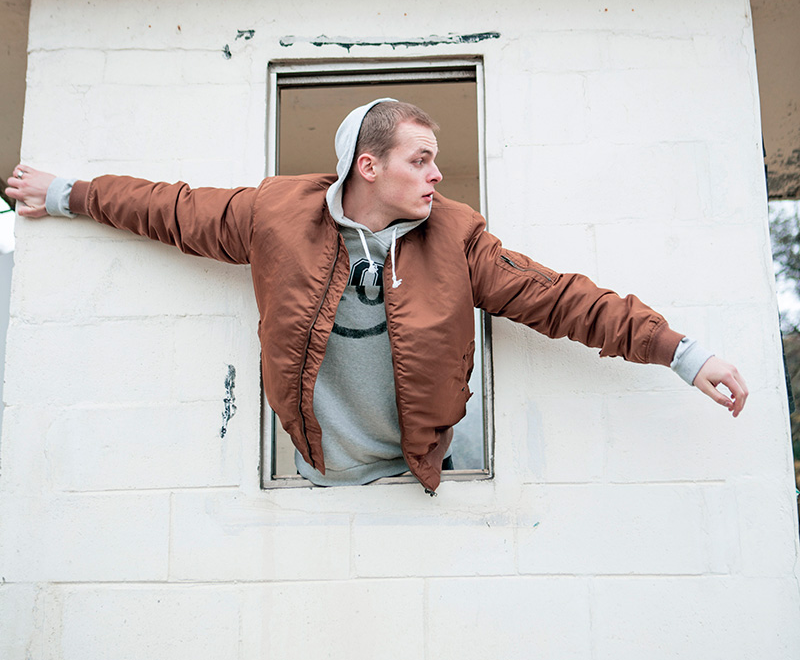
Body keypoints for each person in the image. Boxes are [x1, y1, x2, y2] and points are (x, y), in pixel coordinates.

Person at [6, 98, 747, 493]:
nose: (436, 175)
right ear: (368, 165)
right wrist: (67, 193)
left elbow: (560, 299)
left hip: (428, 474)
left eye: (435, 161)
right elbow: (171, 209)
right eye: (420, 160)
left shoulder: (456, 237)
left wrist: (682, 354)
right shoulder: (275, 215)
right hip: (318, 478)